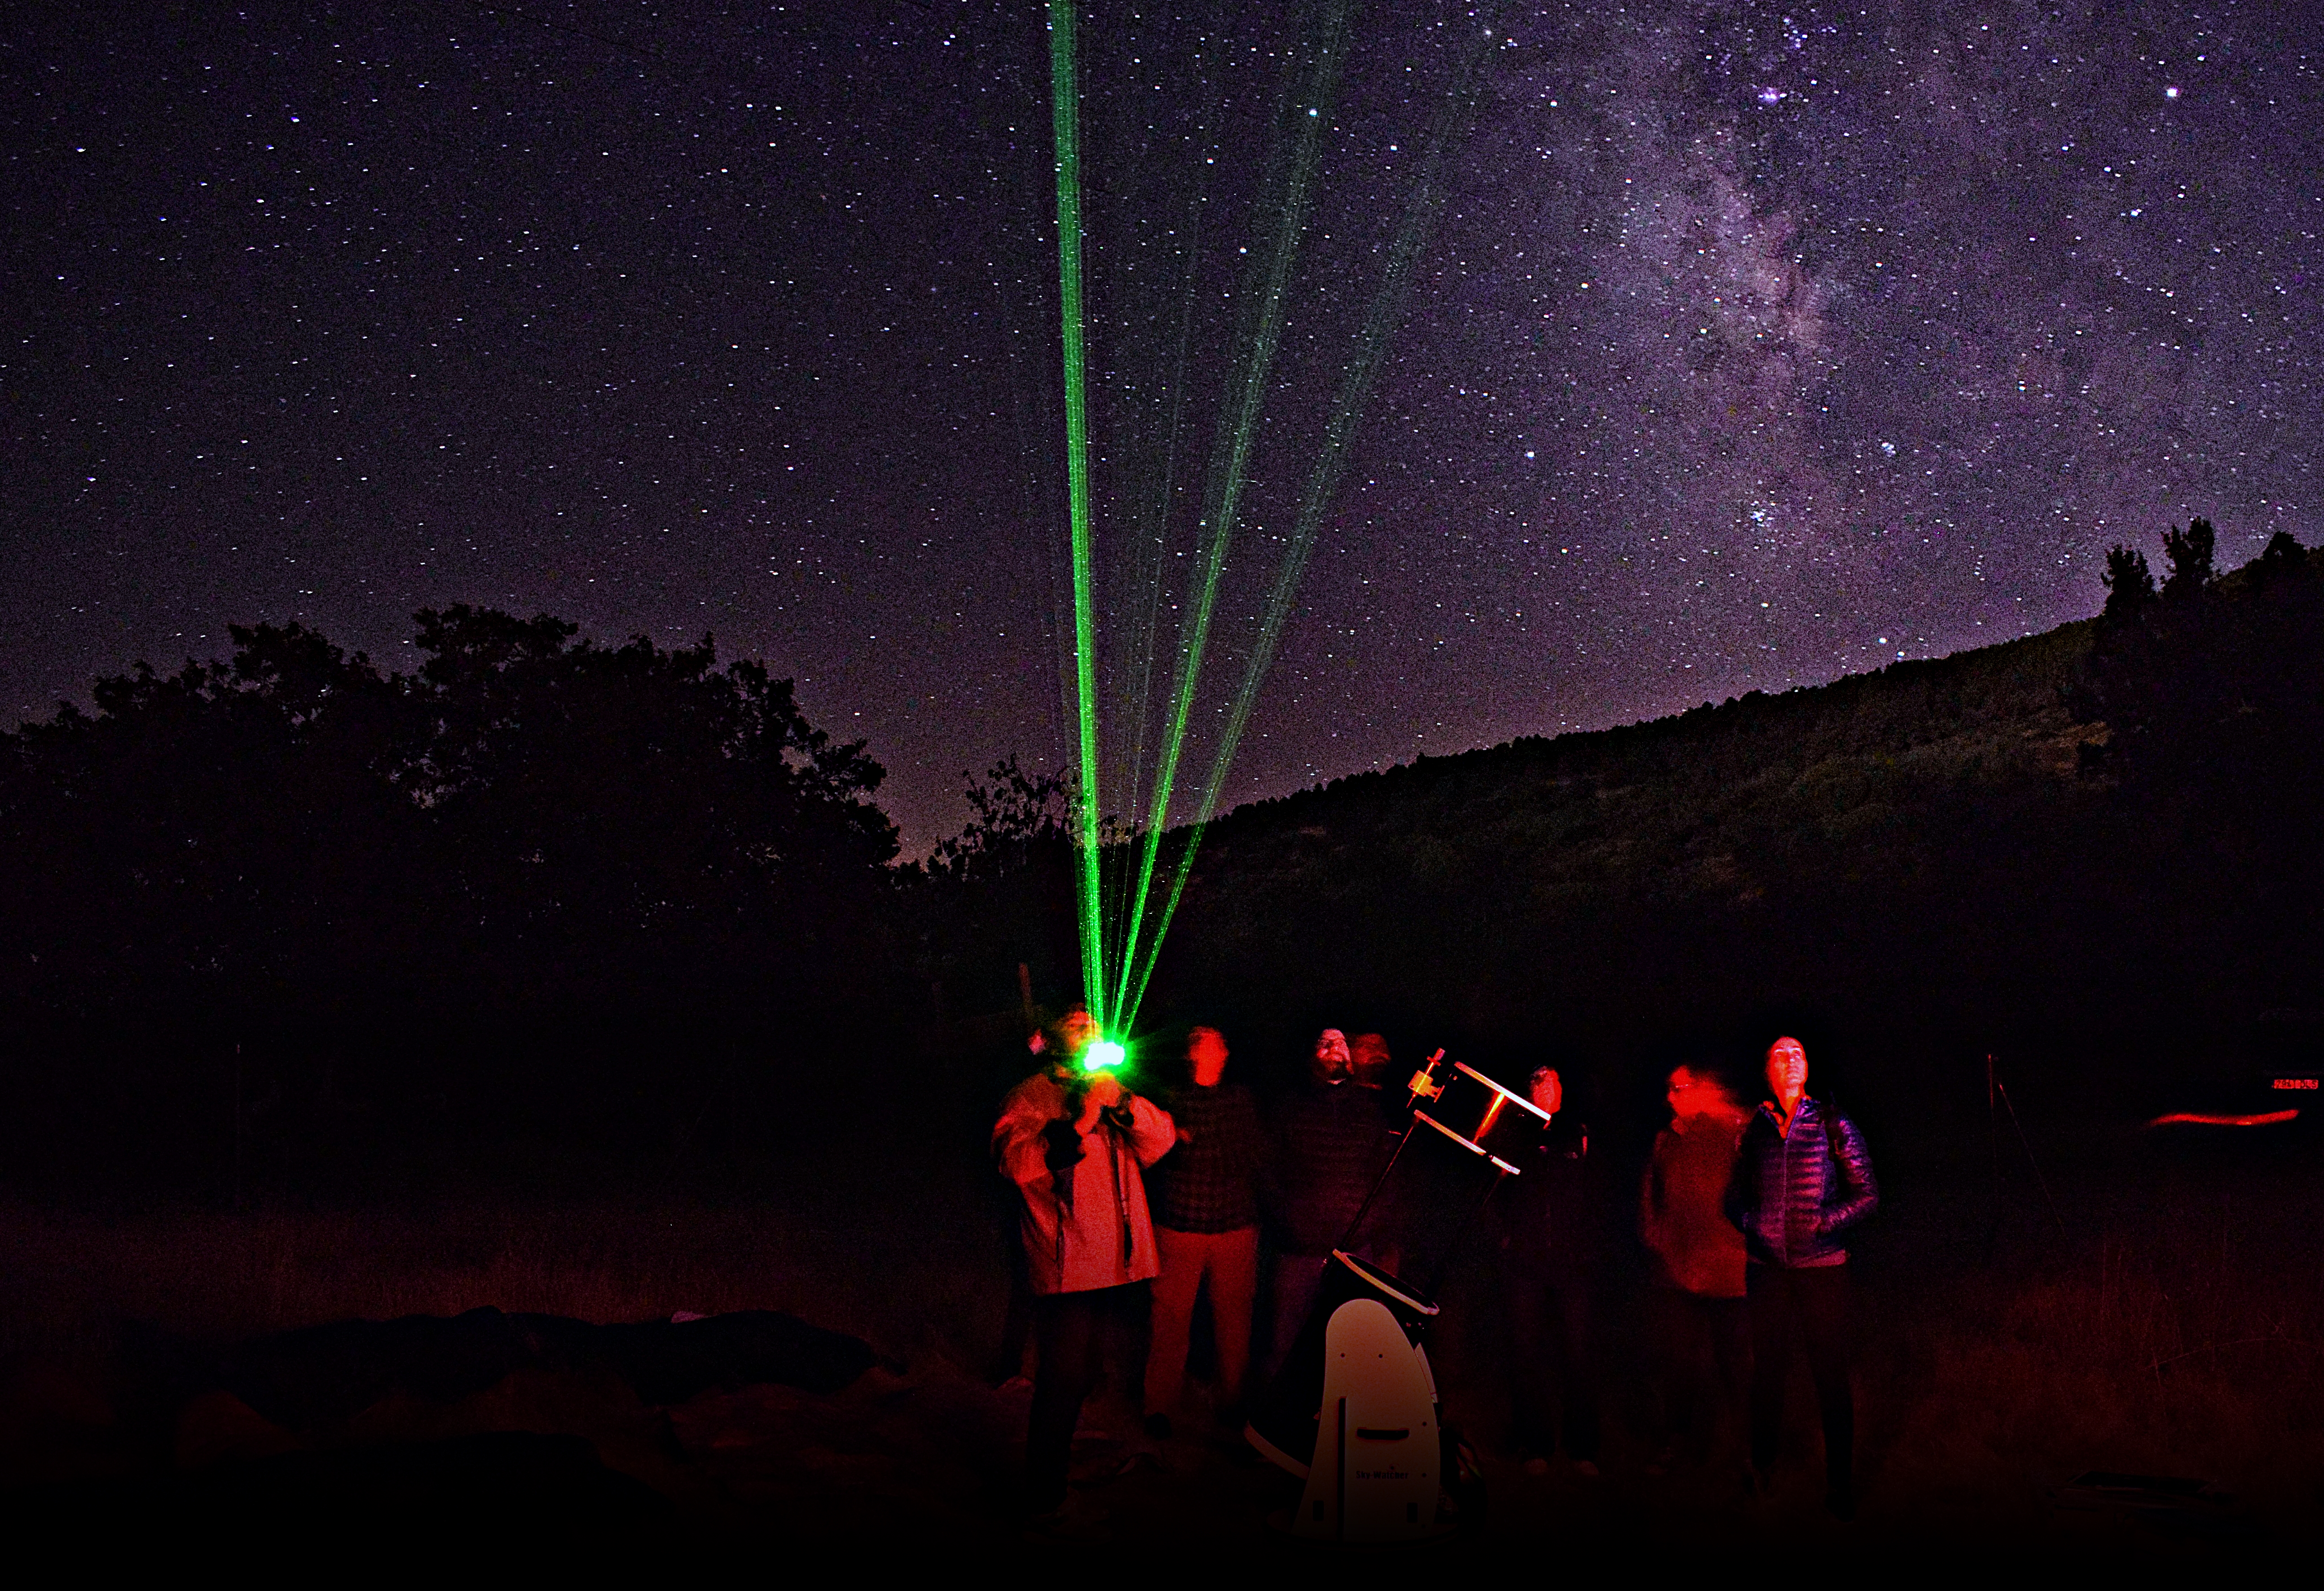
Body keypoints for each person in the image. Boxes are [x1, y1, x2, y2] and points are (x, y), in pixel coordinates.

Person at [992, 1007, 1177, 1516]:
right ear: (1053, 1040)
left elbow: (1159, 1142)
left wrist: (1119, 1102)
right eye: (1077, 1027)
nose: (1089, 1033)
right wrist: (1079, 1121)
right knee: (1062, 1379)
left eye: (1093, 1027)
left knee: (1094, 1372)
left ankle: (1064, 1468)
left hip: (1116, 1265)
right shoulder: (1032, 1095)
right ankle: (1043, 1499)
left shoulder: (1110, 1088)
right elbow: (1015, 1162)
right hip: (1067, 1265)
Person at [1723, 1035, 1879, 1519]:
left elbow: (1867, 1194)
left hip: (1822, 1271)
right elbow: (1733, 1198)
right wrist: (1752, 1224)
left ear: (1807, 1068)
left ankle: (1838, 1485)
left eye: (1797, 1054)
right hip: (1767, 1271)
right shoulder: (1754, 1129)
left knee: (1829, 1377)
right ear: (1767, 1071)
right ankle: (1762, 1468)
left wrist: (1821, 1224)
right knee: (1766, 1374)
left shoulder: (1833, 1124)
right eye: (1778, 1055)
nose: (1789, 1061)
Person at [1142, 1025, 1265, 1439]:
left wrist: (1187, 1141)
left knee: (1234, 1320)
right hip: (1180, 1226)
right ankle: (1158, 1405)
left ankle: (1233, 1402)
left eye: (1218, 1040)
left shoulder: (1241, 1100)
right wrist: (1177, 1141)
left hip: (1235, 1226)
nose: (1215, 1047)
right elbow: (1156, 1154)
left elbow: (1246, 1156)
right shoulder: (1172, 1099)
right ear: (1192, 1053)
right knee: (1170, 1319)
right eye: (1206, 1041)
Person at [1259, 1028, 1391, 1376]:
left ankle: (1341, 1419)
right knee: (1287, 1341)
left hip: (1354, 1253)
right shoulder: (1288, 1106)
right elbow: (1268, 1171)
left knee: (1354, 1340)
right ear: (1312, 1056)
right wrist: (1289, 1224)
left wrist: (1367, 1226)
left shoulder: (1369, 1111)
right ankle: (1280, 1419)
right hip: (1299, 1250)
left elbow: (1383, 1175)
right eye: (1325, 1043)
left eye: (1343, 1043)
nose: (1336, 1050)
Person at [1639, 1063, 1751, 1470]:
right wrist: (1657, 1239)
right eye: (1668, 1088)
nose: (1670, 1096)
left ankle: (1748, 1454)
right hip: (1678, 1273)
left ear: (1704, 1088)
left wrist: (1748, 1242)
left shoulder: (1734, 1132)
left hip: (1730, 1274)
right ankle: (1678, 1445)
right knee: (1678, 1367)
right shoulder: (1668, 1138)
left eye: (1679, 1087)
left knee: (1738, 1368)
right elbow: (1650, 1195)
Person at [1494, 1064, 1599, 1475]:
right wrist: (1505, 1240)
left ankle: (1583, 1449)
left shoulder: (1578, 1134)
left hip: (1573, 1266)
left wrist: (1589, 1246)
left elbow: (1596, 1195)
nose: (1550, 1087)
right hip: (1525, 1265)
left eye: (1556, 1080)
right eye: (1541, 1080)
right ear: (1530, 1088)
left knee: (1578, 1355)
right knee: (1525, 1354)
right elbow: (1493, 1191)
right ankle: (1535, 1444)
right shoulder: (1515, 1133)